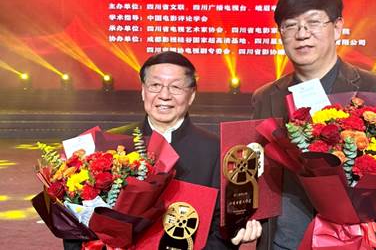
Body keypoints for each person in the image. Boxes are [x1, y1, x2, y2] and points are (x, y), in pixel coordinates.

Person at [251, 0, 376, 250]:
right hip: (283, 242)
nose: (302, 34)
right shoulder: (265, 97)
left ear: (337, 28)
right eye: (290, 25)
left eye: (313, 22)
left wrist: (372, 243)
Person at [65, 51, 261, 249]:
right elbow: (77, 220)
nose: (164, 95)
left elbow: (223, 227)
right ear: (143, 91)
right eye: (155, 85)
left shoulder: (218, 151)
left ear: (192, 95)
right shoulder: (108, 146)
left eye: (176, 87)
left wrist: (234, 233)